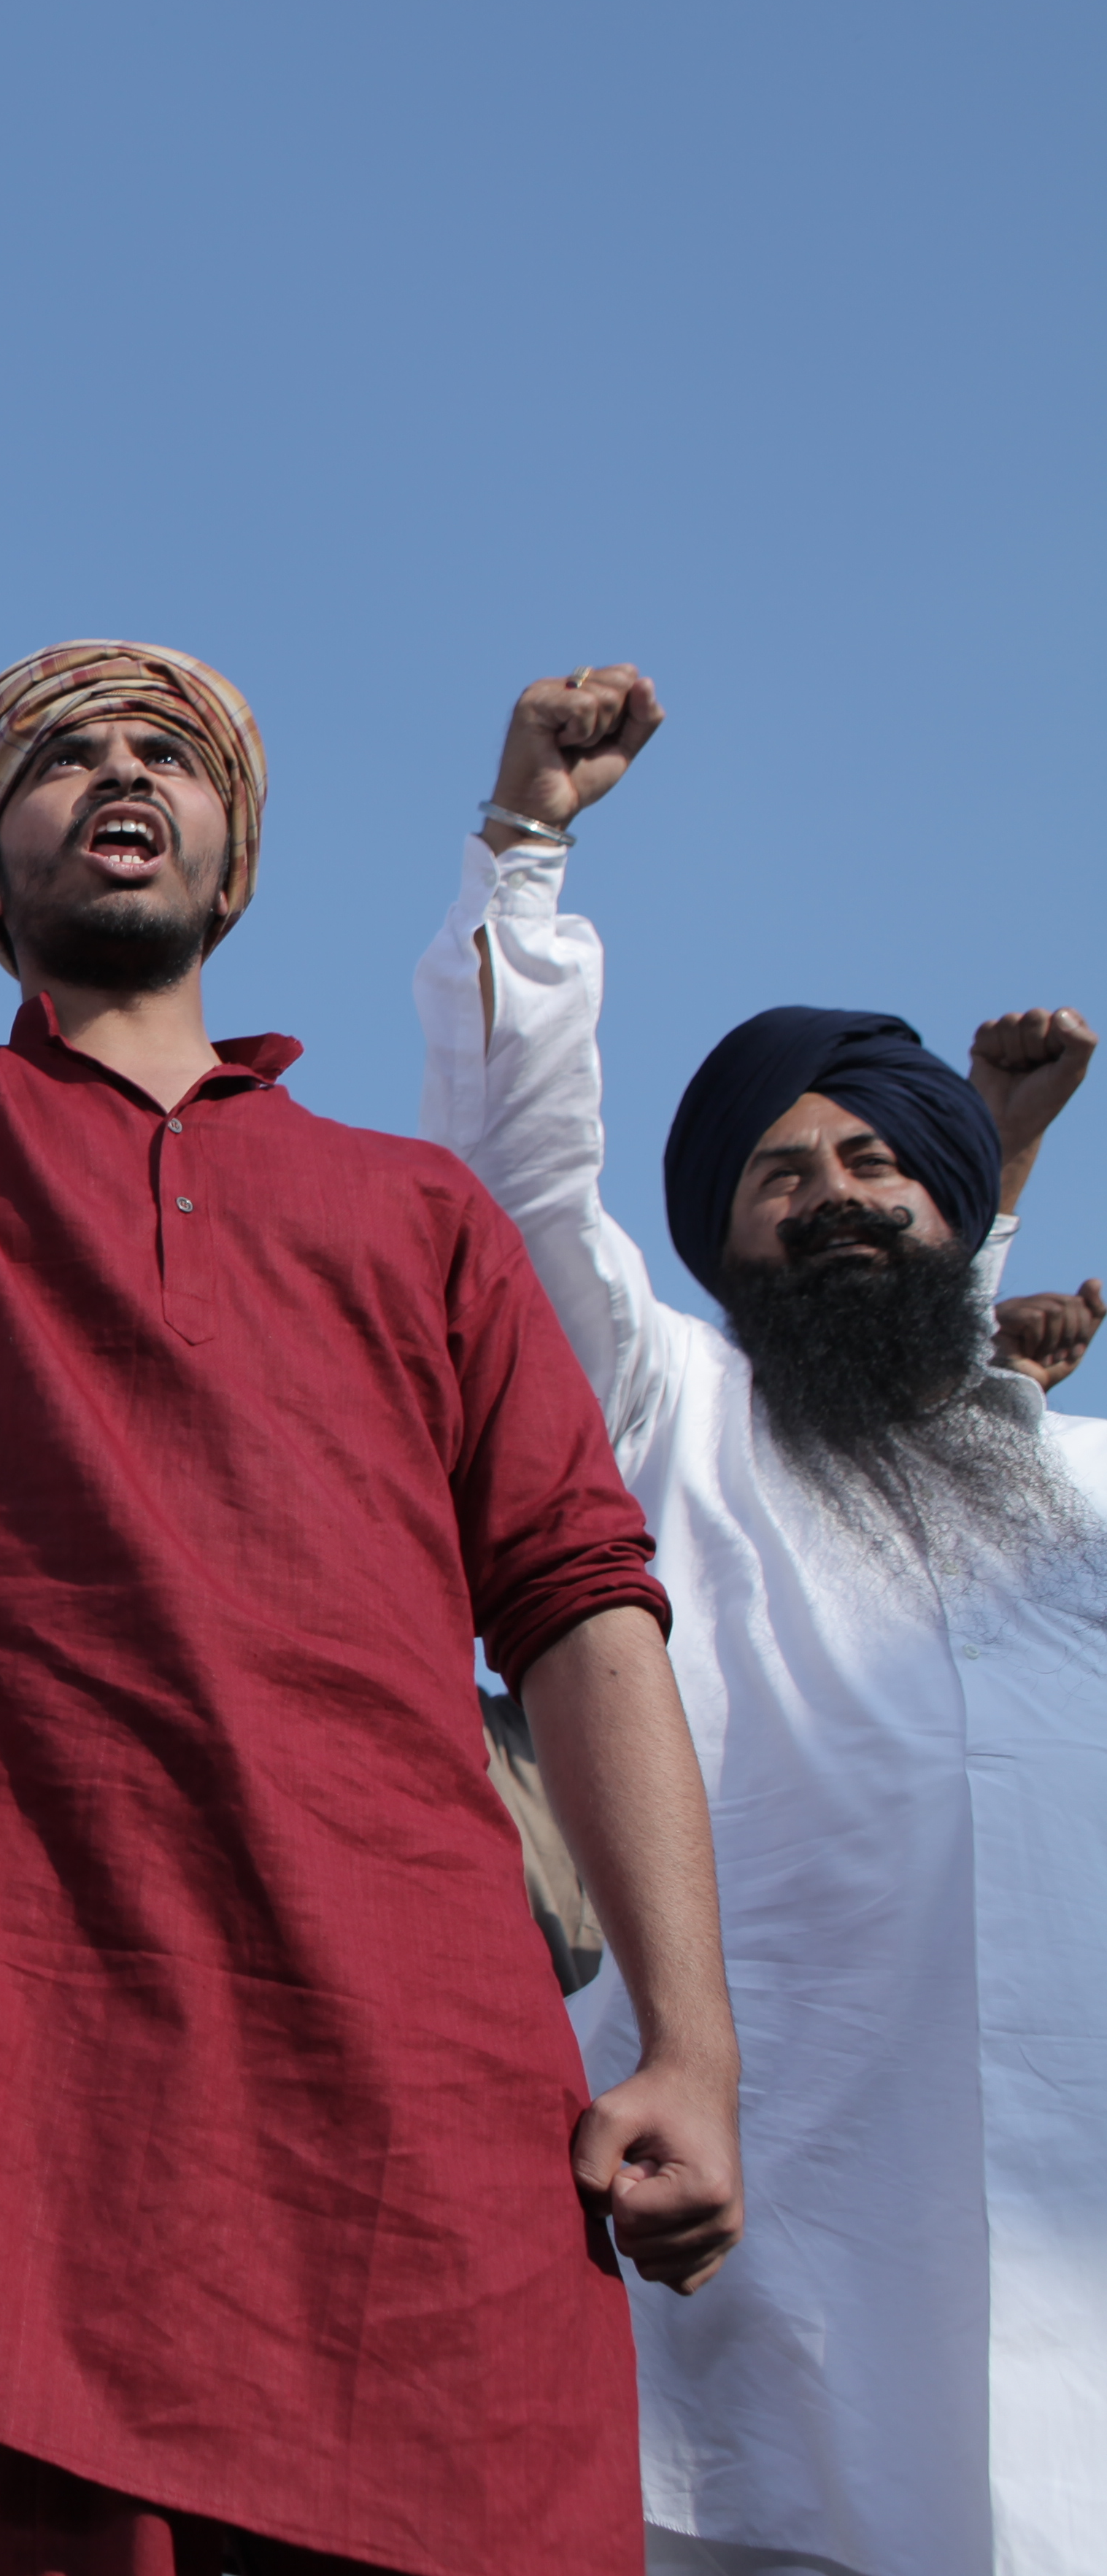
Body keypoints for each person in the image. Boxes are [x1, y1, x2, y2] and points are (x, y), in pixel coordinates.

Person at [0, 71, 741, 2576]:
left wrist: (681, 2036)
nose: (114, 773)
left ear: (233, 856)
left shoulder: (408, 1220)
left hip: (419, 2137)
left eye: (164, 753)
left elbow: (583, 1607)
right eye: (51, 759)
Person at [414, 672, 1107, 2576]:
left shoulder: (1086, 1488)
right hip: (766, 2225)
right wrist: (525, 857)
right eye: (781, 1181)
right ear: (723, 1248)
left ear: (963, 1212)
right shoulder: (672, 1422)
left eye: (882, 1166)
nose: (837, 1201)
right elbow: (519, 1177)